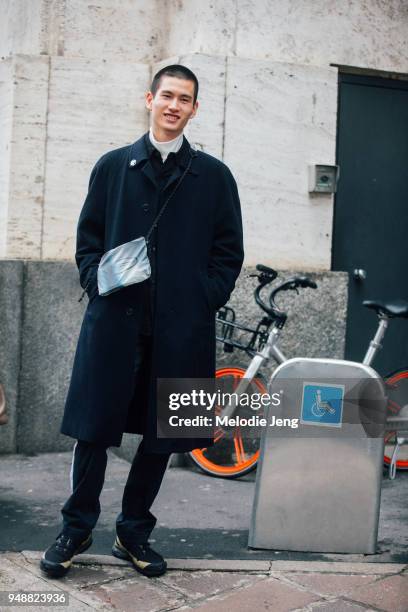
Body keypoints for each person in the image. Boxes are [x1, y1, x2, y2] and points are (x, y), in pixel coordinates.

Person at [40, 65, 244, 579]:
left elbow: (228, 251)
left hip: (181, 329)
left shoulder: (214, 175)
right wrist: (96, 282)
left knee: (164, 435)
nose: (174, 106)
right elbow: (88, 239)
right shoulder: (113, 166)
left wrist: (204, 298)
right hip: (114, 325)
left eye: (185, 99)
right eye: (167, 95)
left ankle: (133, 534)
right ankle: (76, 526)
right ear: (149, 99)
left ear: (195, 109)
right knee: (93, 430)